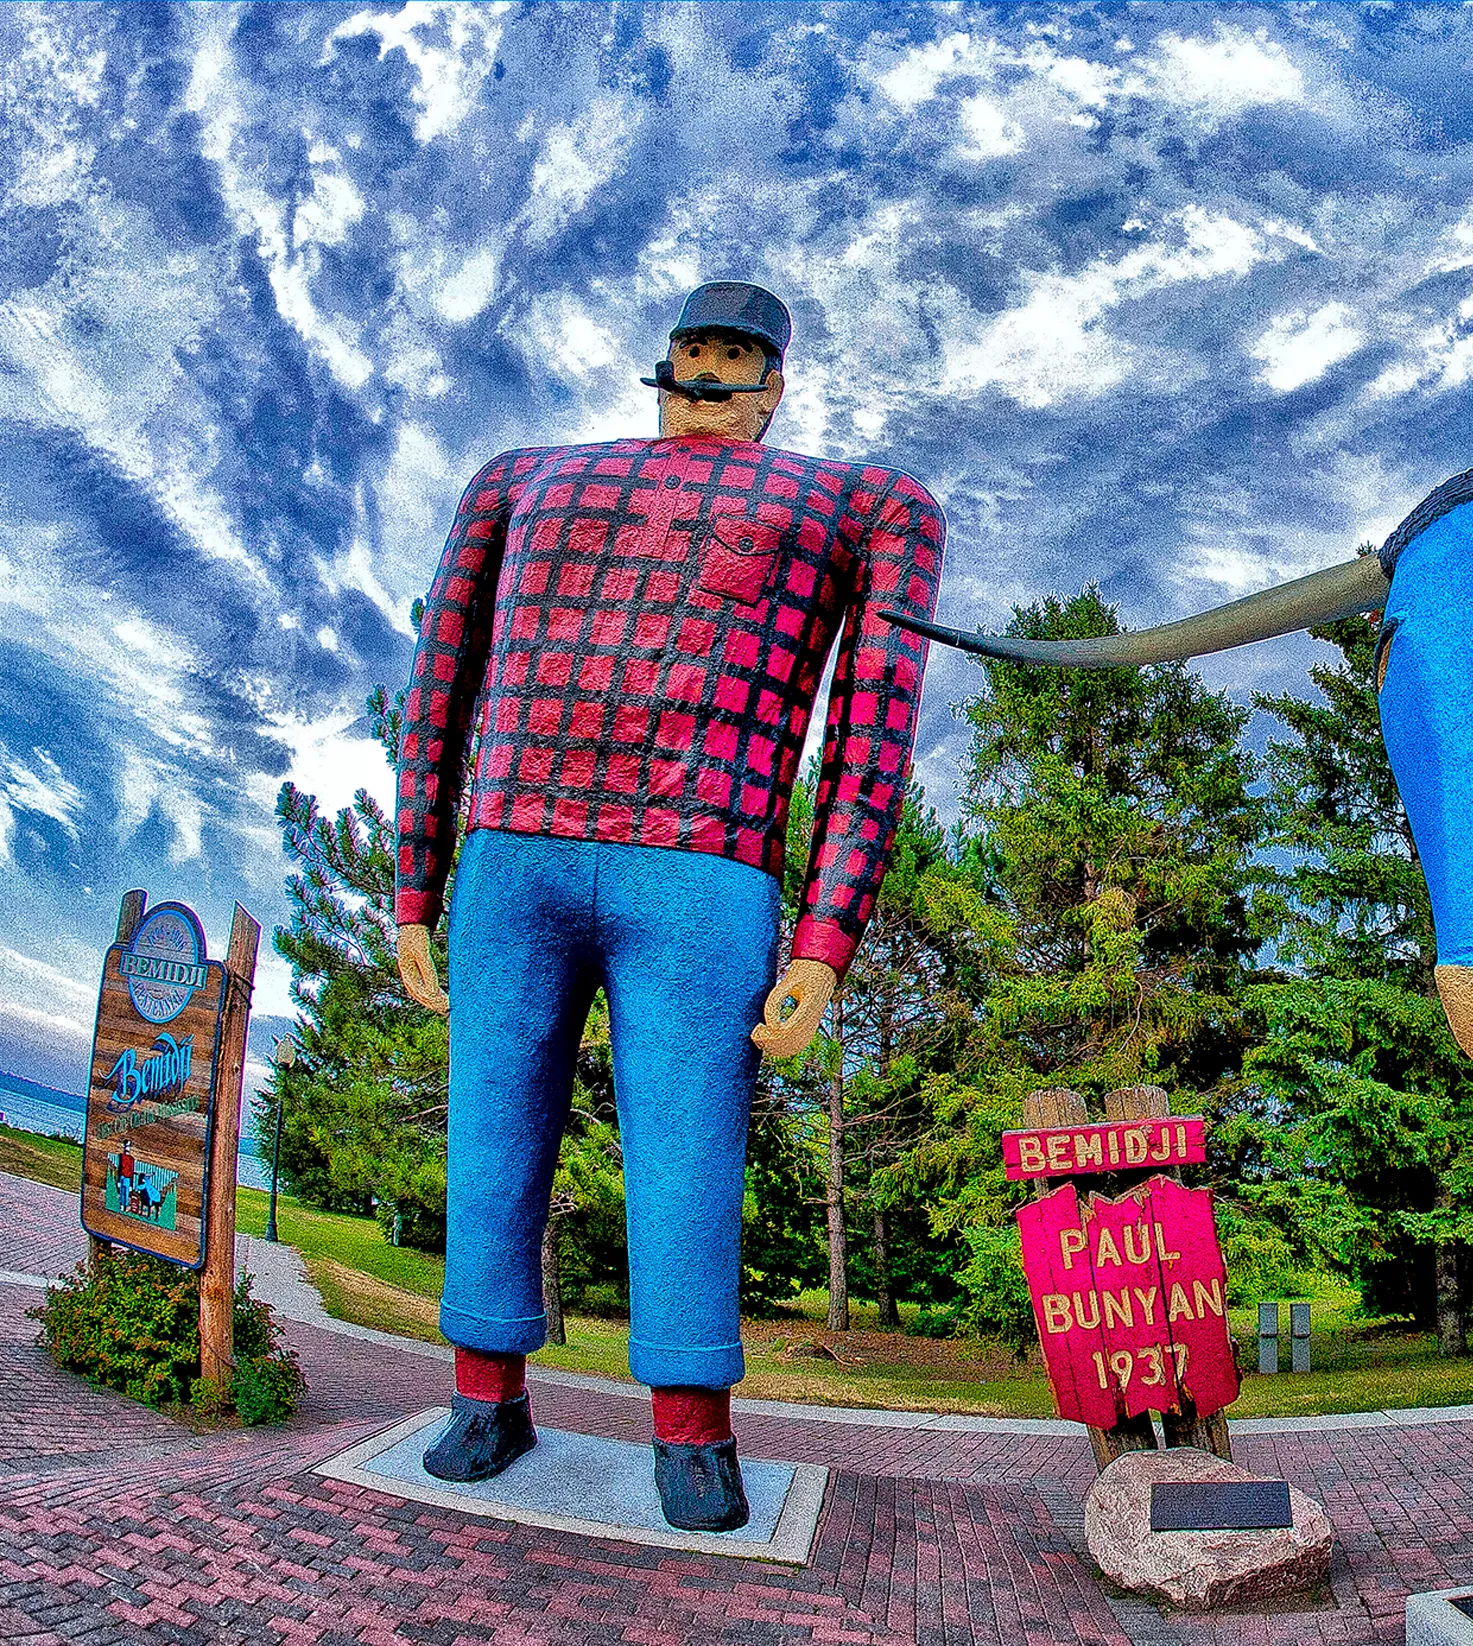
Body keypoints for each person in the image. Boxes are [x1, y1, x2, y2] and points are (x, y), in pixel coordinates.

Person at [392, 281, 944, 1531]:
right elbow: (443, 672)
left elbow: (873, 720)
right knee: (488, 1128)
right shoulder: (517, 478)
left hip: (706, 857)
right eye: (695, 347)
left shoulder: (861, 504)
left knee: (691, 1147)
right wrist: (413, 881)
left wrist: (828, 931)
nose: (708, 369)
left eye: (736, 353)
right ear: (665, 360)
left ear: (775, 380)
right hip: (515, 844)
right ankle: (486, 1386)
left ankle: (691, 1424)